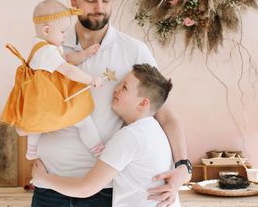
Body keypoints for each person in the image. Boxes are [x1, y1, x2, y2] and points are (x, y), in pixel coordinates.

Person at [32, 0, 191, 207]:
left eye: (106, 1)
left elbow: (166, 116)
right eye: (91, 1)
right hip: (48, 188)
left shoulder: (133, 51)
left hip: (104, 192)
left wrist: (184, 166)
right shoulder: (50, 49)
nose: (99, 8)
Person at [32, 64, 181, 207]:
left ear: (143, 104)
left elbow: (86, 188)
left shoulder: (131, 137)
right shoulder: (153, 131)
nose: (116, 89)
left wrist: (43, 178)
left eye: (125, 88)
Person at [1, 0, 105, 159]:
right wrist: (91, 80)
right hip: (52, 98)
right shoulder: (47, 52)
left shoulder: (43, 47)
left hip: (42, 100)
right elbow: (69, 70)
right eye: (63, 32)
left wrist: (83, 55)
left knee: (38, 123)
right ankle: (98, 150)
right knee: (83, 117)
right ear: (47, 30)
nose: (65, 36)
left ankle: (32, 149)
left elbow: (67, 59)